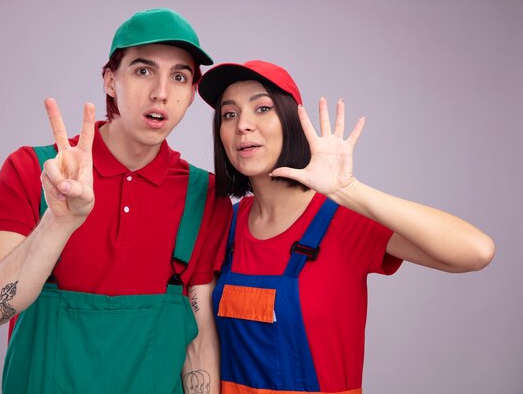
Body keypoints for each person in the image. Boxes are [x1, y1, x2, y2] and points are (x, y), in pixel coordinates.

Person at [0, 8, 231, 394]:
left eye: (179, 76)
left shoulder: (204, 196)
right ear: (110, 80)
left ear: (192, 94)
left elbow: (199, 342)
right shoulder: (34, 170)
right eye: (143, 71)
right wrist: (57, 222)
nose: (161, 91)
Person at [197, 60, 495, 394]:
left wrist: (347, 190)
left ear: (294, 123)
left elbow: (477, 251)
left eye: (262, 108)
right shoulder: (224, 223)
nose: (243, 126)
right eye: (229, 114)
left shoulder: (340, 220)